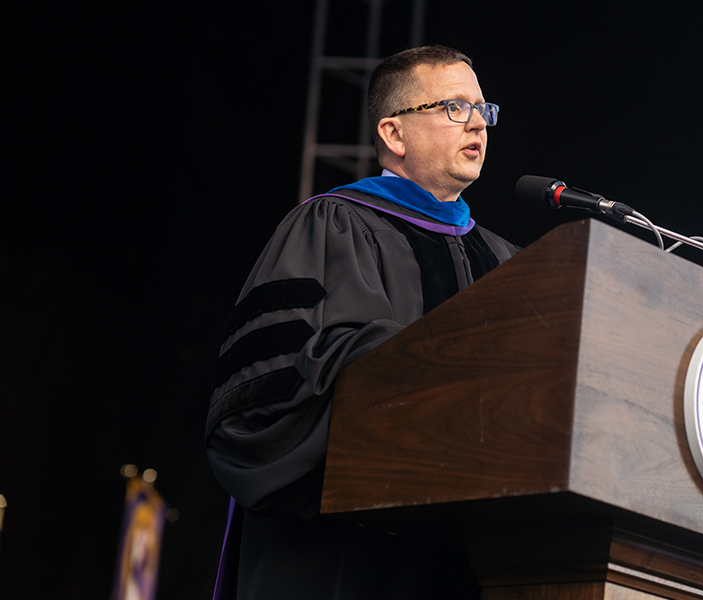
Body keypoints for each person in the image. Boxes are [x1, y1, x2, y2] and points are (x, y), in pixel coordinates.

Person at [205, 45, 518, 599]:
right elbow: (271, 389)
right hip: (346, 550)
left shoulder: (510, 263)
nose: (476, 122)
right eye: (453, 107)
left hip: (472, 558)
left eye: (482, 108)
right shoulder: (330, 225)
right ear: (395, 135)